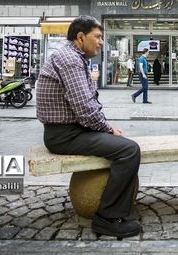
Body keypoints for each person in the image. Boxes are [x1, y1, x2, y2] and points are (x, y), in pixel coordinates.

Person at [35, 16, 141, 238]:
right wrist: (107, 128)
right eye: (98, 37)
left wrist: (105, 127)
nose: (101, 42)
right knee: (129, 150)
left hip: (73, 129)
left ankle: (114, 211)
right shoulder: (70, 60)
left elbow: (88, 104)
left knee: (124, 145)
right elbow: (84, 107)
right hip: (64, 135)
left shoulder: (74, 57)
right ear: (80, 37)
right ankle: (108, 218)